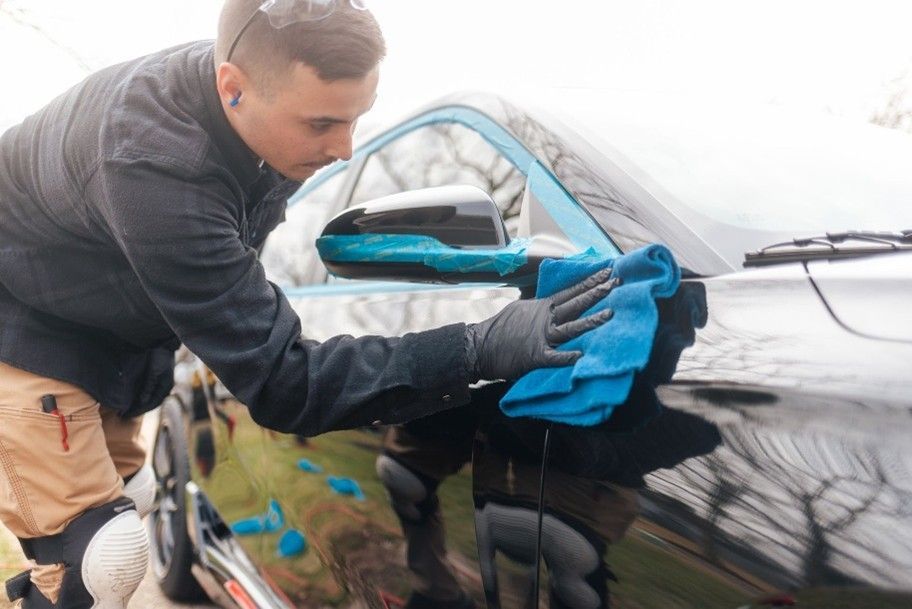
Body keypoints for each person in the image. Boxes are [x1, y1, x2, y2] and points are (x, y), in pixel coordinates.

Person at [0, 1, 616, 607]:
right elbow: (282, 381)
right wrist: (478, 346)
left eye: (356, 118)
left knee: (127, 505)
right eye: (321, 124)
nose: (344, 148)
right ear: (231, 87)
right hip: (27, 328)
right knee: (102, 555)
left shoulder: (257, 120)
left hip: (119, 345)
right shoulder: (156, 164)